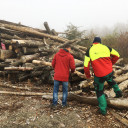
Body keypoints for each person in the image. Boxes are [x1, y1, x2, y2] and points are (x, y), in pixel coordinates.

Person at [84, 37, 122, 115]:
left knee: (99, 91)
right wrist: (111, 63)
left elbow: (85, 65)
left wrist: (88, 75)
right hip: (109, 71)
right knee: (111, 81)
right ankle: (119, 94)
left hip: (99, 75)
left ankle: (103, 110)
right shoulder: (106, 47)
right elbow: (117, 55)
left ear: (93, 42)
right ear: (100, 42)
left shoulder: (89, 50)